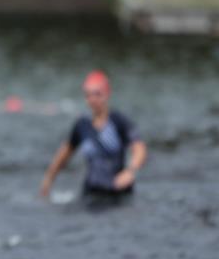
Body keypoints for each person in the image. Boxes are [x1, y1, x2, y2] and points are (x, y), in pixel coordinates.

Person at [40, 70, 147, 201]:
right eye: (88, 95)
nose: (93, 99)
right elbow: (64, 154)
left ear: (107, 94)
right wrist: (48, 180)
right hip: (92, 190)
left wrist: (130, 171)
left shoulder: (119, 121)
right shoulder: (82, 125)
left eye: (97, 94)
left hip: (117, 190)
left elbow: (139, 149)